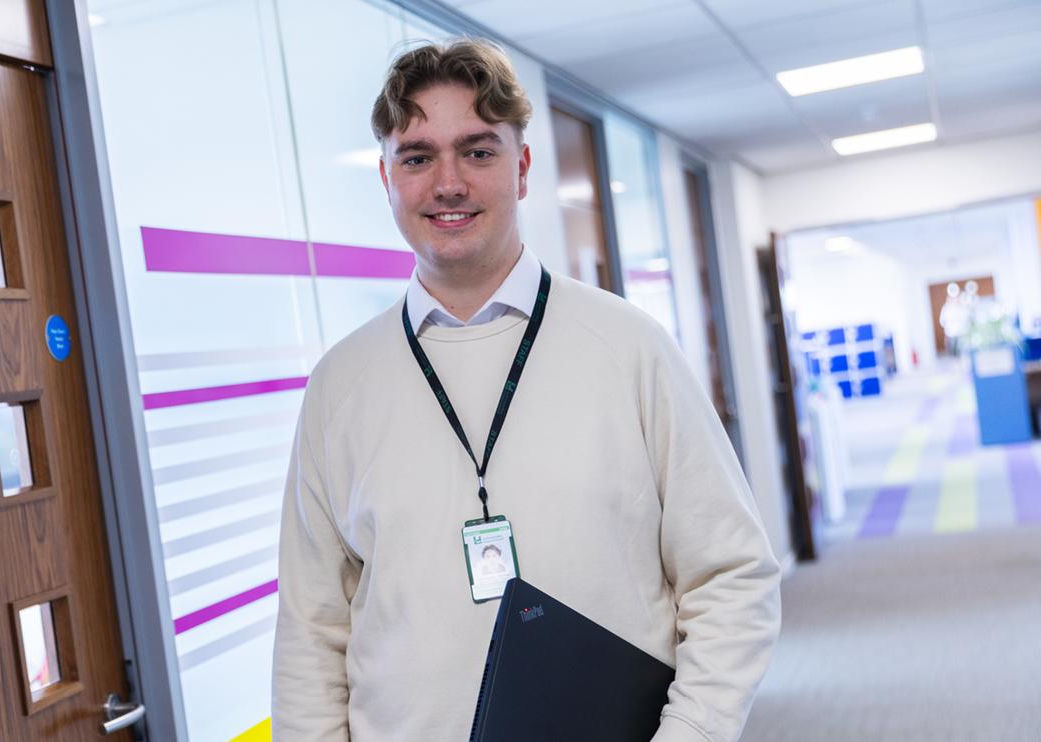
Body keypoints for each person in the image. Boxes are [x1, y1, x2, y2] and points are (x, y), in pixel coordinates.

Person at [272, 38, 781, 742]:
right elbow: (310, 632)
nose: (447, 182)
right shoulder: (339, 386)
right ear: (387, 180)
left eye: (477, 151)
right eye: (417, 157)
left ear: (522, 168)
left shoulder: (629, 347)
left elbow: (733, 576)